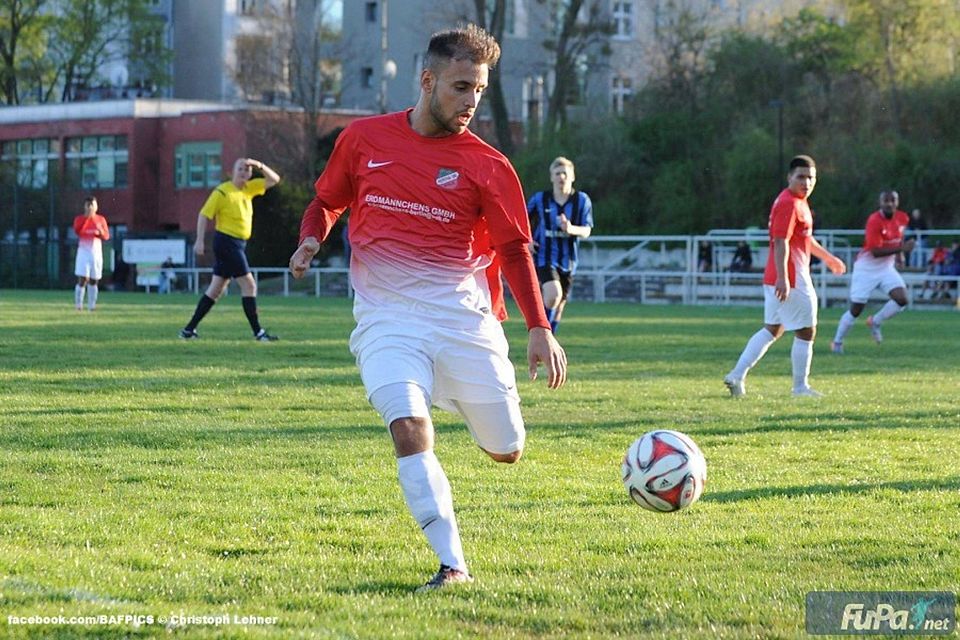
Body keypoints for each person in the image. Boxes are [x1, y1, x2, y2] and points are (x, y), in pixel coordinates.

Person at [288, 24, 567, 592]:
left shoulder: (490, 165)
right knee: (409, 428)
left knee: (506, 450)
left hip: (464, 322)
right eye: (461, 87)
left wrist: (540, 327)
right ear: (427, 79)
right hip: (386, 322)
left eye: (480, 91)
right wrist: (312, 237)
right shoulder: (363, 140)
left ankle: (458, 391)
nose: (471, 102)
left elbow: (515, 250)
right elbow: (326, 200)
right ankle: (453, 564)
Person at [723, 155, 846, 398]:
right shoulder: (789, 202)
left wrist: (828, 257)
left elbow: (804, 239)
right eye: (801, 176)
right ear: (789, 177)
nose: (806, 182)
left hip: (777, 277)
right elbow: (781, 242)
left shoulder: (799, 202)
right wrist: (784, 277)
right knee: (806, 332)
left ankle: (736, 375)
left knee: (773, 329)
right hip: (791, 278)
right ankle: (800, 388)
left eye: (811, 177)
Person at [178, 157, 281, 340]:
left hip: (238, 243)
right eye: (240, 168)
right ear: (233, 171)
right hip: (227, 242)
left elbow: (274, 180)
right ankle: (259, 332)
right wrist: (199, 240)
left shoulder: (249, 189)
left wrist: (259, 165)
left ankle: (188, 330)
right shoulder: (223, 191)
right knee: (249, 285)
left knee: (215, 289)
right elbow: (204, 215)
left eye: (247, 170)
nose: (244, 172)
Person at [830, 191, 914, 353]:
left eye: (893, 200)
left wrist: (900, 255)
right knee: (856, 309)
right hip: (867, 268)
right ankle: (837, 342)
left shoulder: (902, 217)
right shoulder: (874, 221)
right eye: (886, 200)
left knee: (902, 299)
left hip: (886, 268)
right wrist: (902, 249)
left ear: (897, 202)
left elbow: (898, 238)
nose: (889, 203)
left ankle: (875, 321)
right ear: (880, 203)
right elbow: (875, 251)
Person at [527, 156, 594, 333]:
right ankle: (540, 331)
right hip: (544, 257)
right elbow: (522, 220)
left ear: (572, 176)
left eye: (565, 173)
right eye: (557, 173)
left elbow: (587, 231)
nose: (561, 177)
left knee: (558, 307)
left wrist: (570, 228)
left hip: (569, 262)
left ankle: (548, 337)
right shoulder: (540, 199)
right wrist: (527, 239)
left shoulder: (581, 200)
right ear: (551, 177)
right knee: (553, 296)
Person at [73, 196, 110, 311]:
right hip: (84, 252)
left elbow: (106, 236)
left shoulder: (101, 220)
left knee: (94, 280)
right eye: (88, 205)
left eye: (92, 205)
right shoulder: (79, 219)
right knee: (83, 279)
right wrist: (87, 219)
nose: (90, 207)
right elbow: (78, 232)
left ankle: (92, 306)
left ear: (96, 206)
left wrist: (100, 231)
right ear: (84, 206)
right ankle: (78, 305)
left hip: (96, 253)